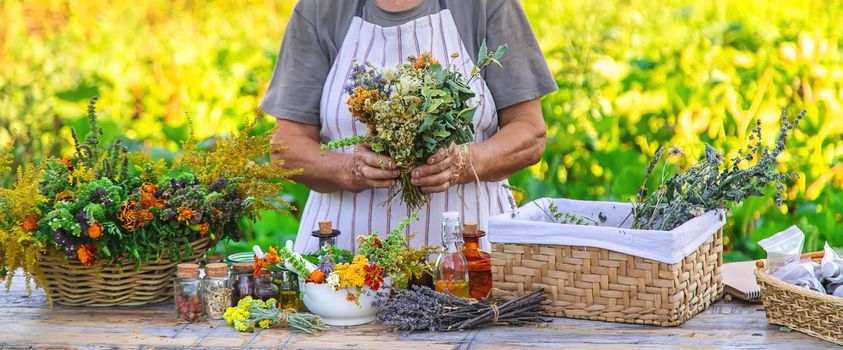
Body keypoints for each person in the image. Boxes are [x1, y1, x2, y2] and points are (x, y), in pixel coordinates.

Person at [261, 0, 557, 253]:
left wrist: (464, 163)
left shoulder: (484, 5)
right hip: (342, 266)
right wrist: (348, 169)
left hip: (469, 258)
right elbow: (286, 145)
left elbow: (529, 132)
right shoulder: (321, 8)